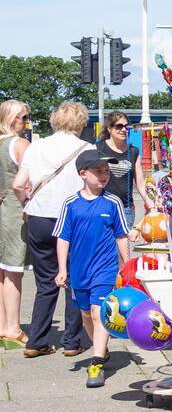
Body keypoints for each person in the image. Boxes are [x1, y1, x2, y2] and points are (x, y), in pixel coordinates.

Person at [12, 101, 93, 358]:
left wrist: (28, 202)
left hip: (39, 218)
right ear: (80, 122)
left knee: (45, 282)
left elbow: (18, 184)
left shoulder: (37, 147)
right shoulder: (86, 148)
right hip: (73, 219)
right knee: (73, 280)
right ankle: (71, 341)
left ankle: (37, 339)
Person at [54, 151, 130, 388]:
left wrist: (127, 266)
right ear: (83, 174)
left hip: (105, 269)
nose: (104, 175)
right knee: (86, 314)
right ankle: (102, 349)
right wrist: (61, 269)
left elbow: (122, 236)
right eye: (98, 171)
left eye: (106, 171)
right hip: (79, 271)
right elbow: (63, 238)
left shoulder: (112, 202)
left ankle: (96, 362)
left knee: (99, 314)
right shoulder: (71, 204)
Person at [0, 100, 31, 346]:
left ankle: (2, 324)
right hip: (14, 212)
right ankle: (12, 327)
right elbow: (26, 180)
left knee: (1, 271)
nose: (27, 122)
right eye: (24, 118)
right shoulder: (20, 144)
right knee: (13, 271)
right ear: (12, 119)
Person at [97, 110, 151, 230]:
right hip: (101, 206)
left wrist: (149, 202)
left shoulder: (133, 151)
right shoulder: (98, 148)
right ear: (109, 128)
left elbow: (140, 183)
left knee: (122, 247)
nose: (124, 130)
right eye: (119, 126)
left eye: (126, 127)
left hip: (125, 208)